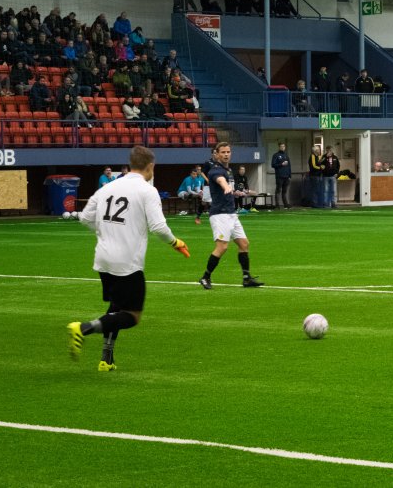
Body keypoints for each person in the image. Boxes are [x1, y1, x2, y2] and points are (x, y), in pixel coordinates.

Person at [67, 147, 189, 371]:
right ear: (150, 166)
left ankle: (106, 359)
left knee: (116, 307)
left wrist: (106, 230)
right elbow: (158, 227)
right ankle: (83, 328)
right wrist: (175, 242)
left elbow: (84, 218)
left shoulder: (108, 187)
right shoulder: (147, 190)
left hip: (103, 258)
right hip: (127, 262)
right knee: (132, 316)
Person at [199, 142, 264, 290]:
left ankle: (246, 278)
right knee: (222, 247)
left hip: (231, 213)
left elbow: (226, 183)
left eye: (228, 152)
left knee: (244, 244)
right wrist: (226, 186)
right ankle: (205, 277)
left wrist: (233, 191)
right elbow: (220, 181)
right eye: (223, 152)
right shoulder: (215, 170)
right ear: (216, 154)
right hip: (220, 214)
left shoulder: (228, 170)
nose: (226, 154)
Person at [271, 142, 291, 209]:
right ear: (279, 147)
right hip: (279, 176)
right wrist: (281, 164)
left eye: (284, 146)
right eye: (281, 146)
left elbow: (289, 166)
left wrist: (289, 175)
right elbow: (273, 165)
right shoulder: (276, 155)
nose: (282, 147)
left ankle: (286, 204)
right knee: (278, 190)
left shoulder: (286, 155)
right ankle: (277, 205)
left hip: (286, 176)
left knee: (284, 191)